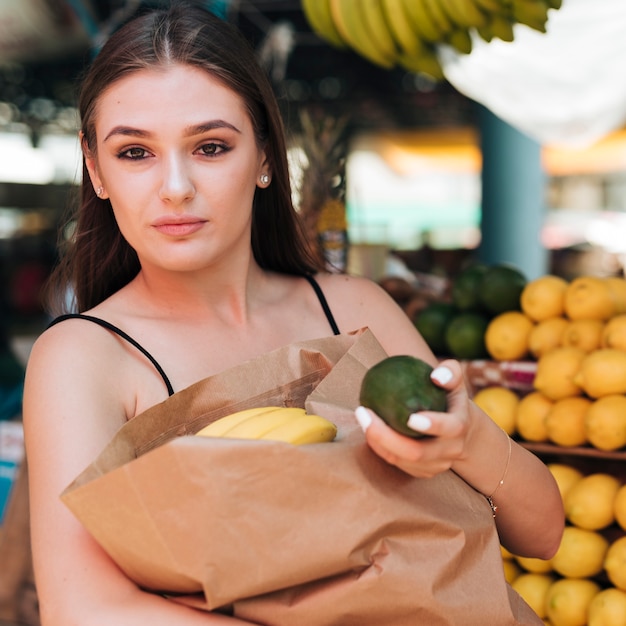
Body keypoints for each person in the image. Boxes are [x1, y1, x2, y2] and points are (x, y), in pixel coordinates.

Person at [22, 2, 564, 624]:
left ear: (265, 158)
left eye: (210, 146)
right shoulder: (86, 357)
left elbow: (544, 533)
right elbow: (83, 608)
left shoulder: (355, 311)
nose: (175, 186)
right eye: (136, 153)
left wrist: (467, 439)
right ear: (96, 169)